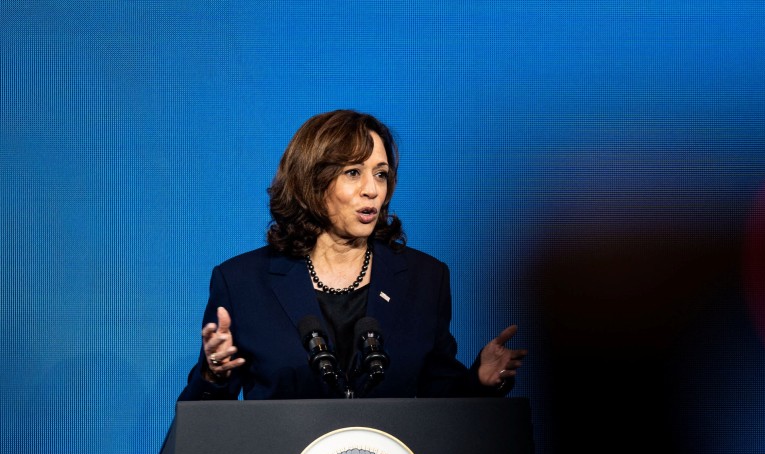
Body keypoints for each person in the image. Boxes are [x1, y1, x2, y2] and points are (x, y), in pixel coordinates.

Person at [177, 109, 525, 401]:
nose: (372, 190)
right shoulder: (243, 282)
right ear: (312, 182)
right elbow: (204, 424)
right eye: (353, 173)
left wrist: (477, 381)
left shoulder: (425, 278)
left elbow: (438, 405)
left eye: (381, 174)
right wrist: (214, 373)